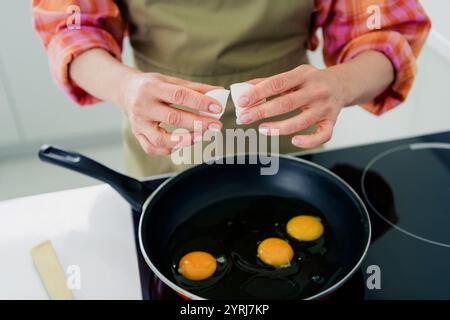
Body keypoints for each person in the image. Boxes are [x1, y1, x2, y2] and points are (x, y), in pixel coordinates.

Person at [32, 0, 430, 177]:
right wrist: (125, 87)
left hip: (288, 138)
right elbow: (73, 28)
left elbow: (384, 30)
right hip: (165, 140)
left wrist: (340, 85)